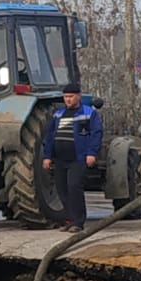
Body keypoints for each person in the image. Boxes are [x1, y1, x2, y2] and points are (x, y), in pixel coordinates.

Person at [41, 82, 103, 232]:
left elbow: (96, 134)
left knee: (74, 187)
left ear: (78, 96)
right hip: (60, 159)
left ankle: (78, 222)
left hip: (78, 158)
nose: (68, 100)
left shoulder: (88, 113)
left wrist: (91, 153)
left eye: (71, 96)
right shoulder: (58, 115)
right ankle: (69, 220)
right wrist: (47, 156)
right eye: (65, 97)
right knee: (62, 190)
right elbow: (49, 136)